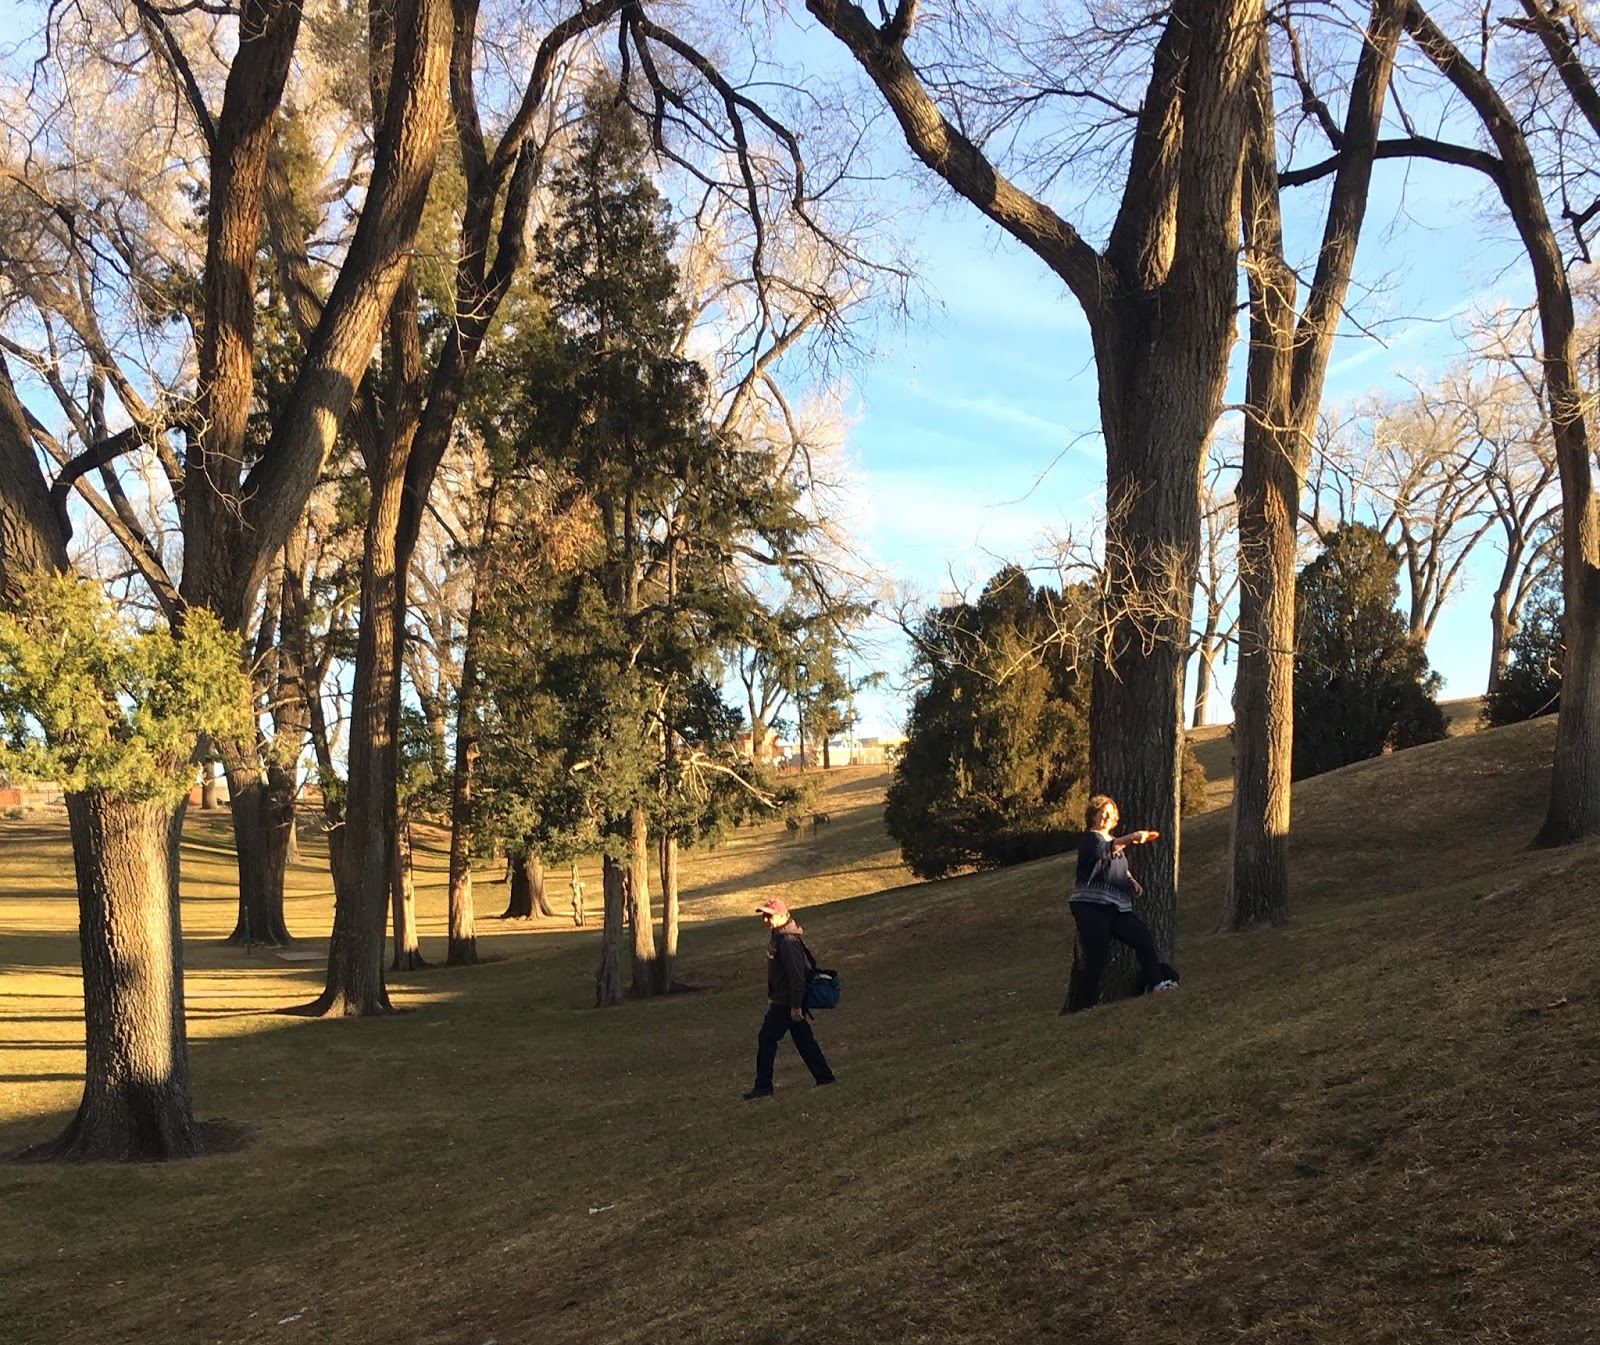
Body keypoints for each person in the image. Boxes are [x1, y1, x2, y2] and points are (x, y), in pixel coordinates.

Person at [1067, 794, 1179, 1009]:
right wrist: (1132, 837)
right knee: (1097, 954)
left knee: (1142, 937)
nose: (1106, 817)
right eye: (1102, 813)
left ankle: (1157, 983)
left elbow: (1117, 864)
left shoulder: (1113, 842)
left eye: (1110, 814)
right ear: (1093, 816)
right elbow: (1104, 852)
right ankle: (1086, 1004)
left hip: (1116, 908)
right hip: (1091, 907)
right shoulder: (1091, 839)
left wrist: (1131, 881)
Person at [743, 897, 835, 1099]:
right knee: (804, 1040)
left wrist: (795, 1006)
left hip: (786, 1003)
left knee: (767, 1038)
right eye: (764, 915)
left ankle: (763, 1086)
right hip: (784, 1000)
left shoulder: (788, 941)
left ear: (784, 915)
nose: (766, 919)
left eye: (770, 915)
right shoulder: (778, 936)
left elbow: (797, 977)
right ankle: (825, 1077)